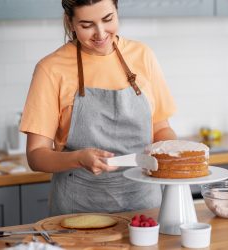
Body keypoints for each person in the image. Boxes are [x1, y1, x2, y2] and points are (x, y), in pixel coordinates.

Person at [20, 0, 177, 216]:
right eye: (87, 25)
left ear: (117, 11)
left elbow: (160, 128)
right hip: (78, 209)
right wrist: (78, 158)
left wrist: (169, 151)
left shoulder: (142, 55)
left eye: (108, 19)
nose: (100, 33)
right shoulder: (50, 69)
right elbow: (36, 156)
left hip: (145, 204)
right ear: (71, 22)